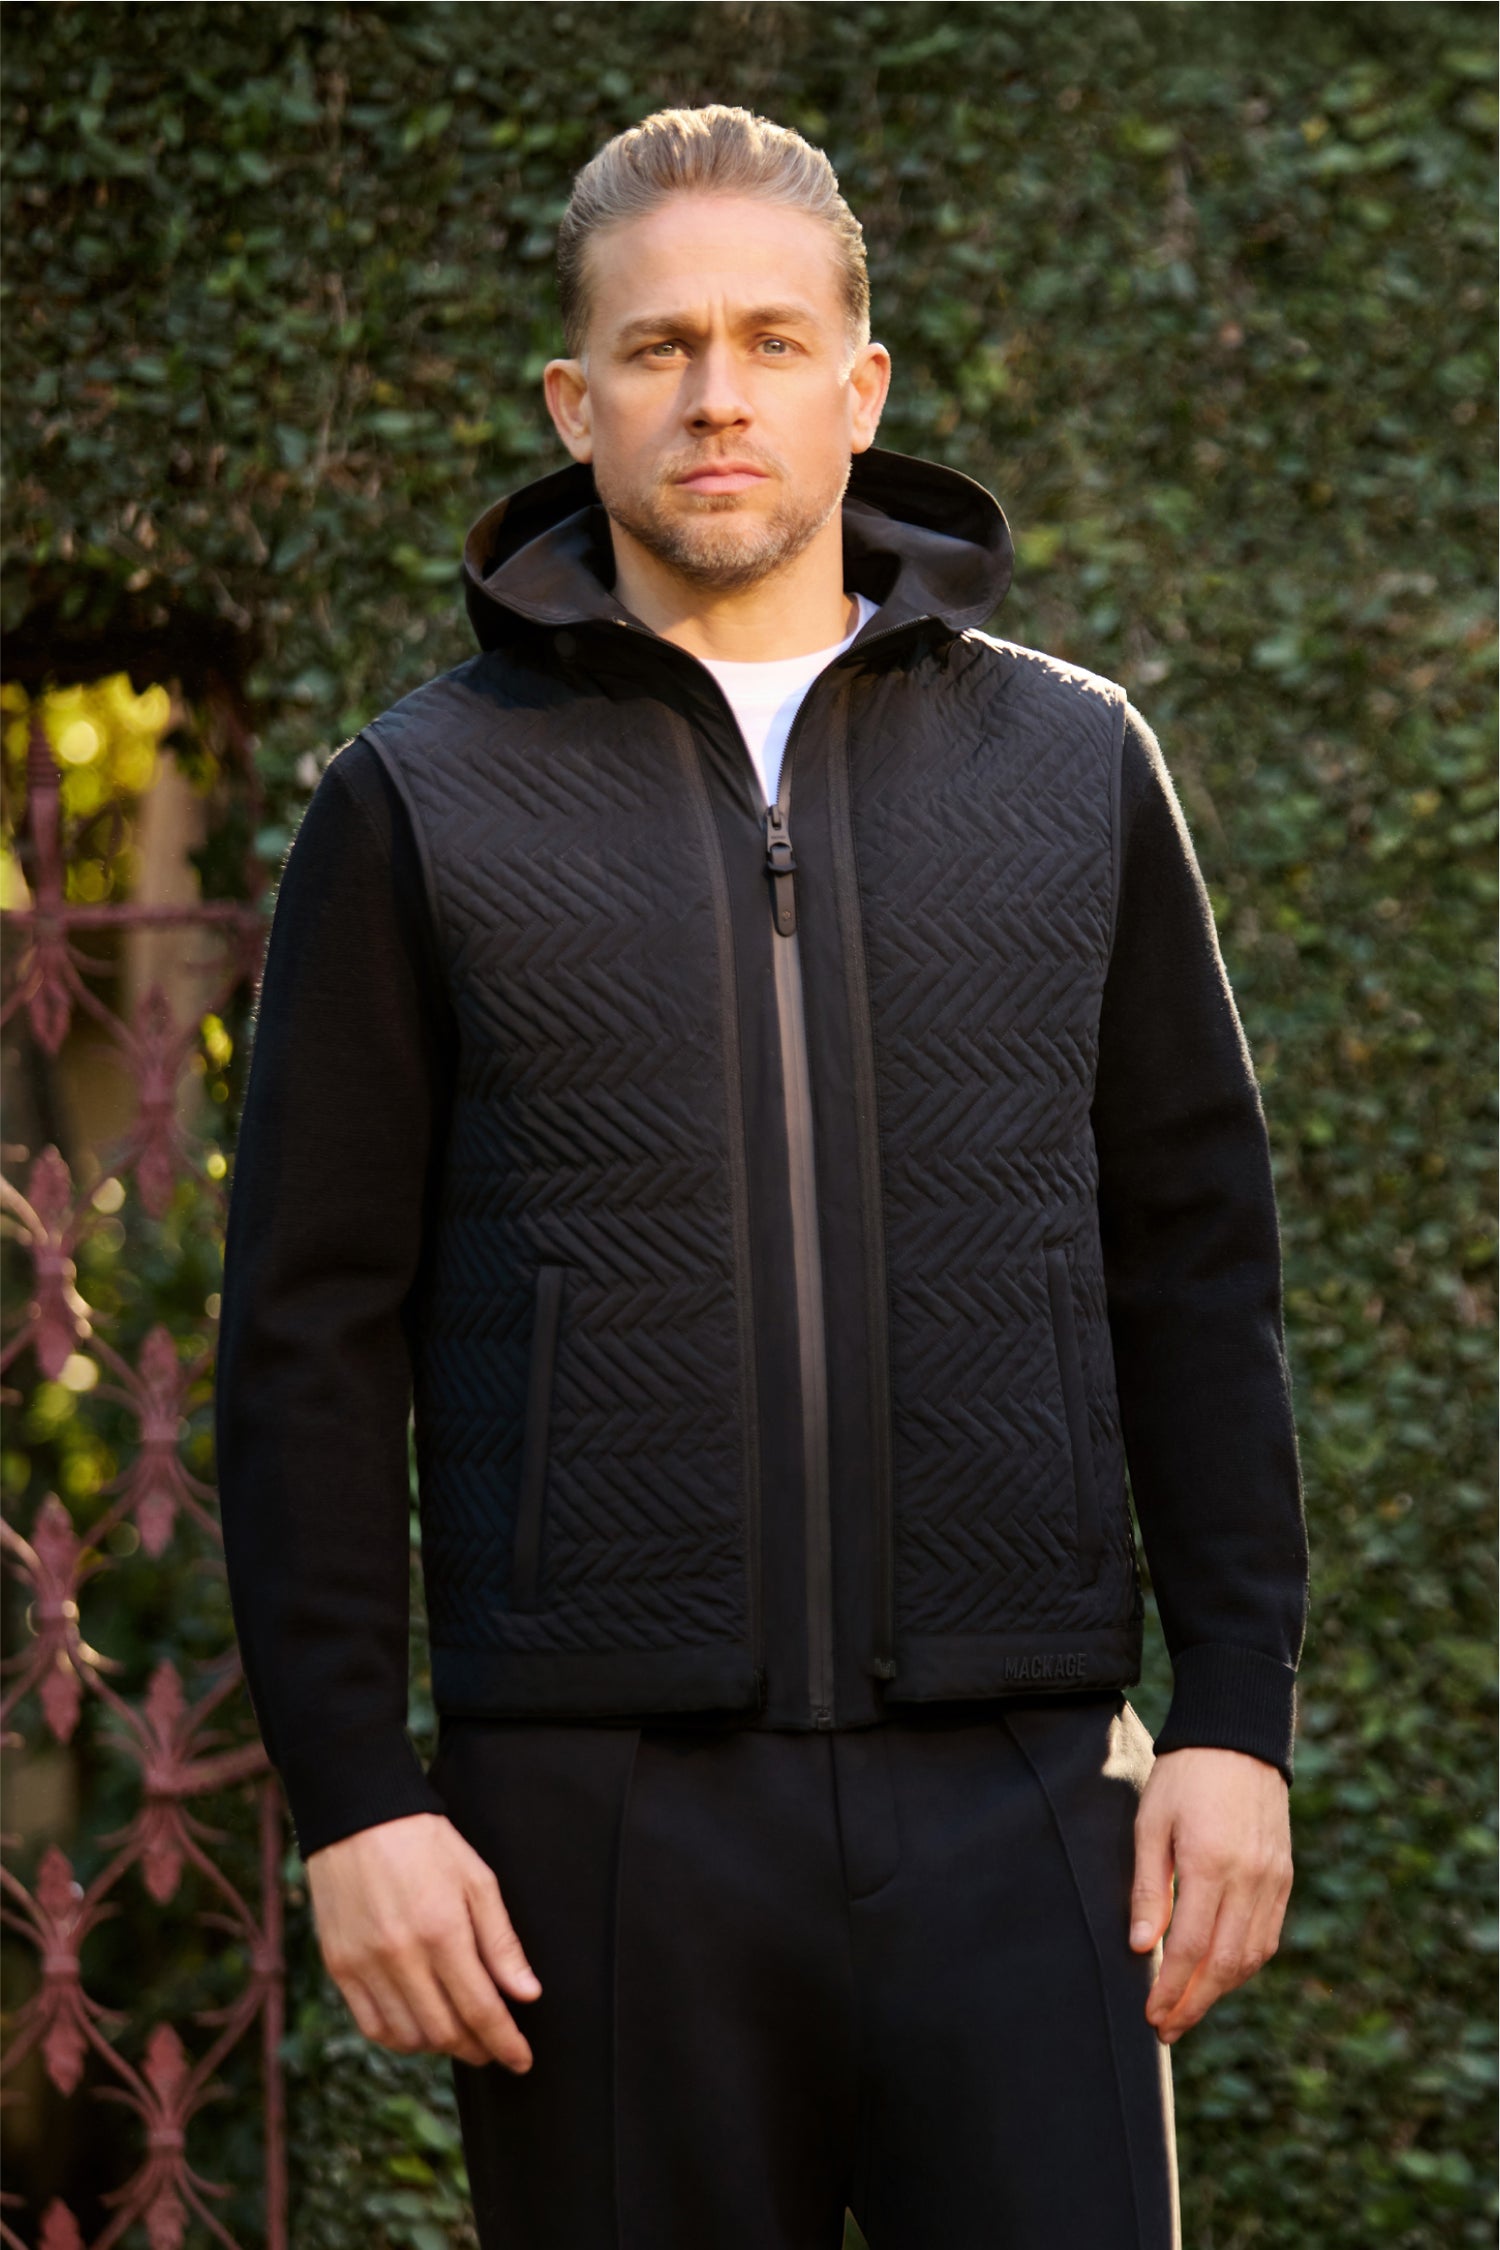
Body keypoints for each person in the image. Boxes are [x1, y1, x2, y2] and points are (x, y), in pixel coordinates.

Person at [216, 103, 1308, 2250]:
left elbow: (1195, 1258)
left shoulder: (1074, 763)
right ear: (576, 400)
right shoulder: (416, 798)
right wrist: (356, 1797)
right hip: (596, 1826)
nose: (717, 394)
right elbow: (308, 1329)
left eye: (772, 341)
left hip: (1025, 1792)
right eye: (660, 346)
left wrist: (1236, 1718)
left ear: (861, 387)